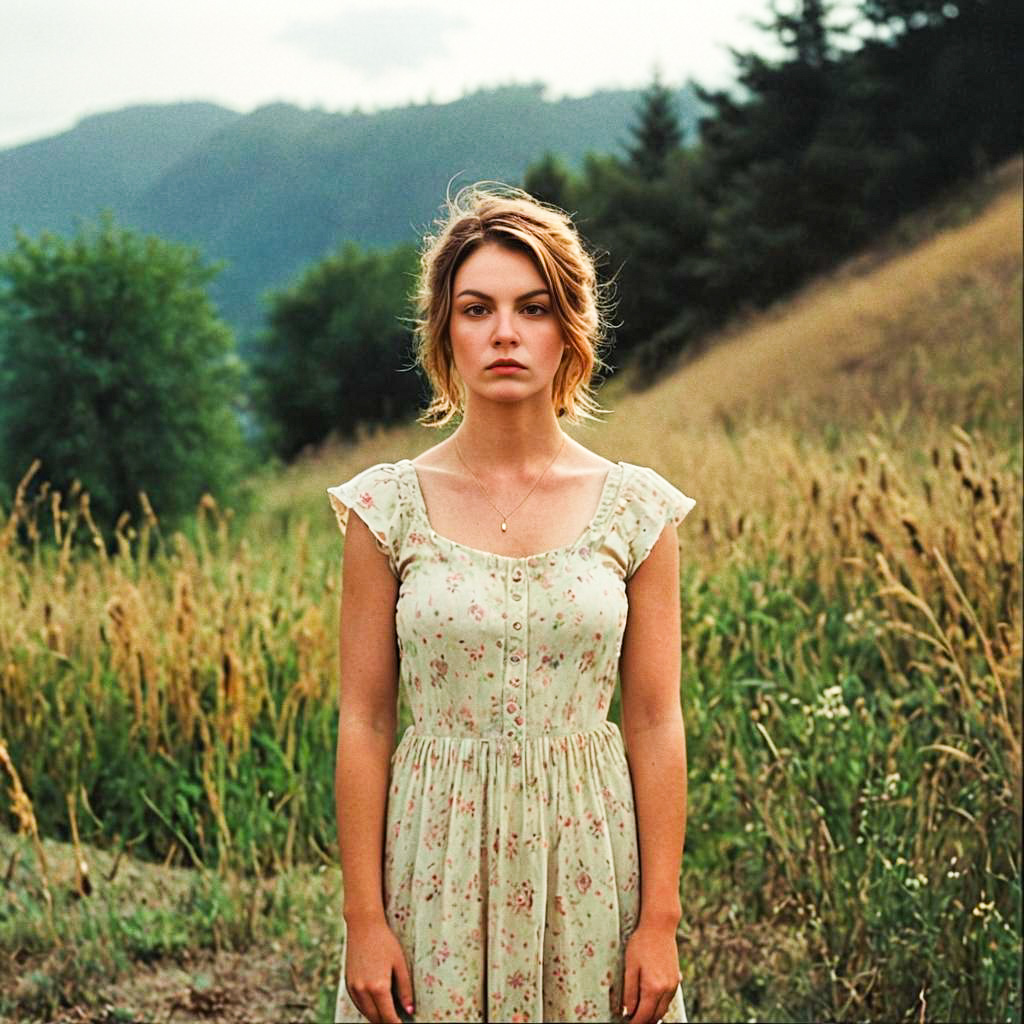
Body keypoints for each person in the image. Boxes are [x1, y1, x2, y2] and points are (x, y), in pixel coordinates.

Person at [327, 184, 695, 1024]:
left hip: (591, 862)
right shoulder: (385, 508)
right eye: (475, 308)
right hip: (432, 864)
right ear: (443, 332)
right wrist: (364, 921)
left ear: (570, 329)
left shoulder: (636, 510)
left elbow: (653, 721)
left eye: (532, 308)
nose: (503, 333)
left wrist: (661, 921)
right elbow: (365, 720)